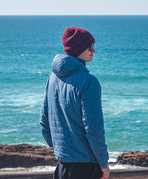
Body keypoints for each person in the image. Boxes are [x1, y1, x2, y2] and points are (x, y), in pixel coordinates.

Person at [40, 26, 110, 179]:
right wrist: (104, 164)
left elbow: (44, 121)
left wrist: (60, 147)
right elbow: (93, 128)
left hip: (63, 165)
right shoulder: (89, 81)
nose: (94, 51)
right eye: (90, 47)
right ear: (80, 48)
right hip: (86, 167)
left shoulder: (53, 77)